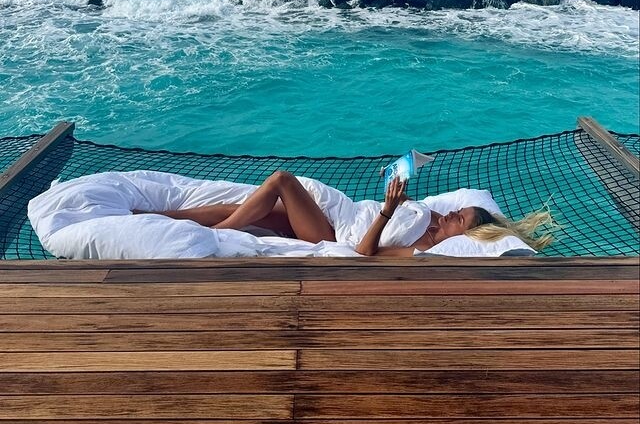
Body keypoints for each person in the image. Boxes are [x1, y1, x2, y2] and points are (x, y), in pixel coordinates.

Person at [134, 169, 556, 255]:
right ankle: (158, 218)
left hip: (332, 233)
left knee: (281, 181)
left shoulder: (423, 251)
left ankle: (221, 233)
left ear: (465, 235)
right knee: (248, 210)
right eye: (456, 211)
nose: (450, 215)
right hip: (341, 212)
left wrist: (387, 212)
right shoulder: (429, 215)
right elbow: (405, 208)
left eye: (457, 219)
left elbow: (365, 254)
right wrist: (399, 184)